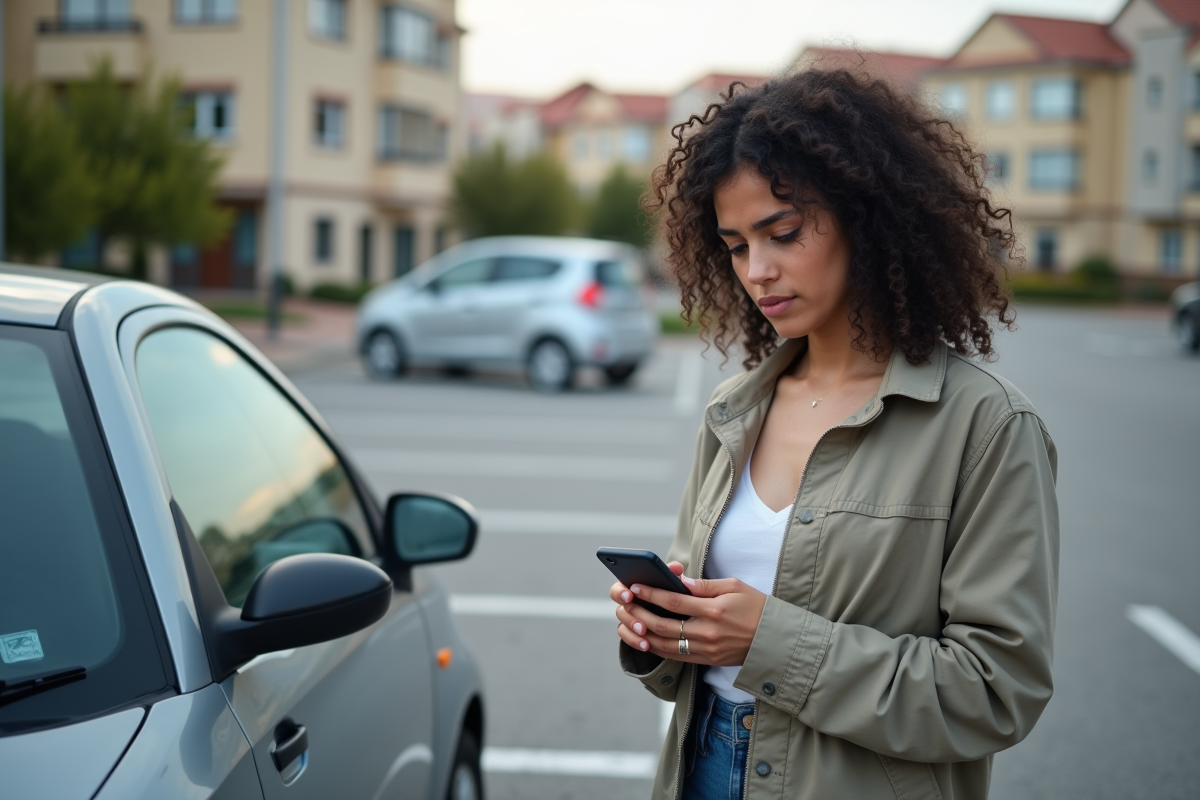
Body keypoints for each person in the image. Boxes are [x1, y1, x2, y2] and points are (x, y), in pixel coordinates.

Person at [608, 68, 1059, 800]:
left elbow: (995, 691)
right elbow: (694, 657)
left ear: (868, 216)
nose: (759, 270)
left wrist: (767, 642)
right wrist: (661, 630)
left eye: (783, 233)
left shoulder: (985, 426)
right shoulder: (734, 409)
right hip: (702, 770)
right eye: (735, 245)